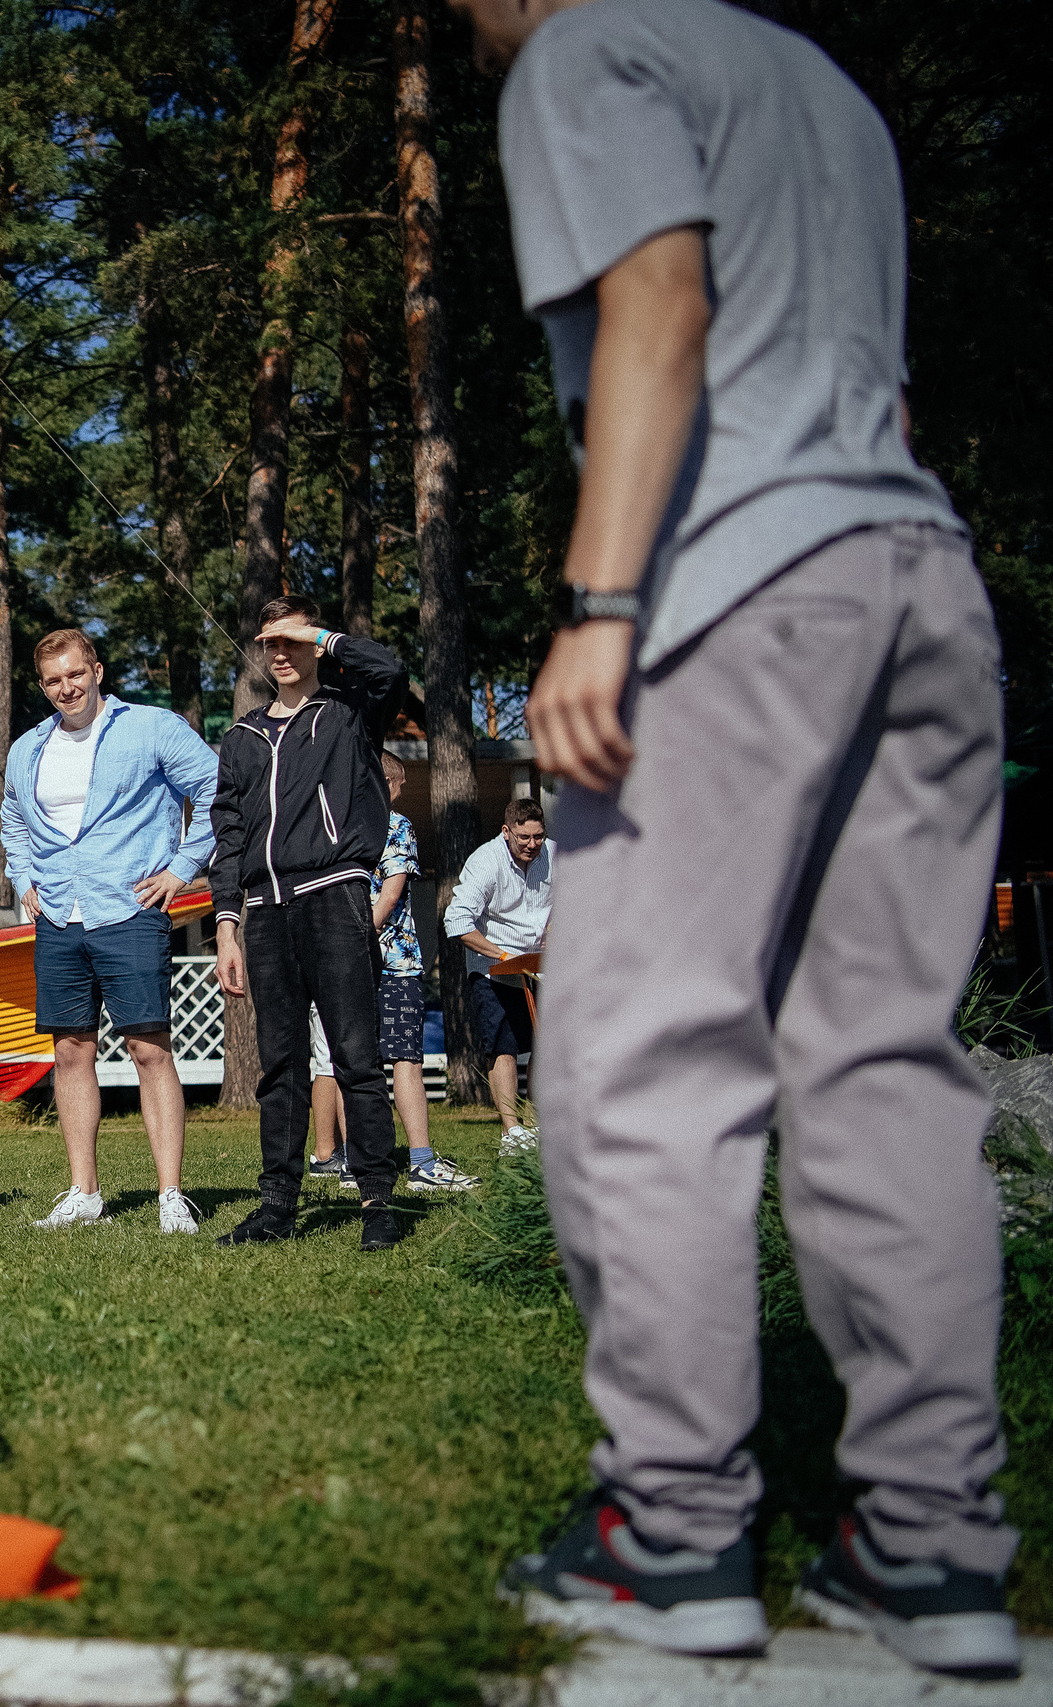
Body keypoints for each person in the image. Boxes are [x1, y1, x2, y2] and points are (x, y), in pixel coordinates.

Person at [455, 0, 1022, 1677]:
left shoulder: (588, 54)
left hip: (734, 589)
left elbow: (660, 299)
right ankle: (931, 1545)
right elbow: (883, 402)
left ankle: (673, 1527)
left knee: (641, 1058)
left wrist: (603, 605)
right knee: (886, 1068)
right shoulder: (823, 86)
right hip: (917, 578)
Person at [0, 629, 220, 1233]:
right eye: (53, 681)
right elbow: (13, 817)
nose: (66, 688)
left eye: (75, 674)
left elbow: (219, 790)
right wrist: (24, 878)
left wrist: (181, 868)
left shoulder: (152, 727)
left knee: (150, 1049)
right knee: (70, 1052)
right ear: (42, 687)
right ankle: (83, 1192)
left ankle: (171, 1195)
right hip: (59, 917)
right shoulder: (28, 749)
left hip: (129, 910)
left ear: (96, 670)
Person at [208, 597, 408, 1252]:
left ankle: (377, 1196)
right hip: (264, 914)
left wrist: (321, 633)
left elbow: (391, 672)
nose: (281, 650)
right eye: (272, 640)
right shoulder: (240, 739)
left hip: (335, 896)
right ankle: (277, 1205)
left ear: (314, 645)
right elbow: (229, 836)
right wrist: (227, 925)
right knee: (280, 1064)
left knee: (355, 1053)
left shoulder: (349, 712)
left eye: (293, 639)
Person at [309, 753, 475, 1194]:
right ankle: (420, 1162)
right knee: (405, 1059)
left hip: (341, 961)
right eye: (397, 784)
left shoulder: (334, 828)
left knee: (353, 1061)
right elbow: (394, 887)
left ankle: (354, 1165)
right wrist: (365, 938)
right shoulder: (395, 824)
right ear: (391, 782)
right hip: (394, 962)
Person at [441, 798, 551, 1155]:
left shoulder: (555, 856)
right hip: (494, 969)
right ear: (506, 832)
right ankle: (512, 1132)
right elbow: (456, 922)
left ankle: (537, 1123)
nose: (532, 845)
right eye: (523, 838)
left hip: (540, 966)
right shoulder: (485, 861)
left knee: (546, 1048)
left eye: (538, 836)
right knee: (503, 1048)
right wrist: (502, 955)